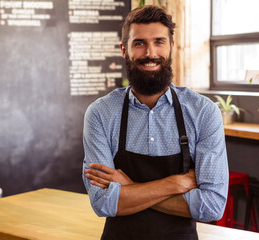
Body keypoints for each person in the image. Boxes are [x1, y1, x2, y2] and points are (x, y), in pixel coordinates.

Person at [82, 5, 229, 240]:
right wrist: (175, 184)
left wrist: (128, 187)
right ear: (124, 50)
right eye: (139, 43)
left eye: (159, 42)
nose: (150, 53)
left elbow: (211, 206)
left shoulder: (203, 112)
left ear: (171, 47)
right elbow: (103, 203)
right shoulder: (100, 113)